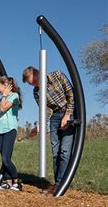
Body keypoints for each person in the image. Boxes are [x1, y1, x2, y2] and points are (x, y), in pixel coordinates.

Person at [22, 66, 75, 195]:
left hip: (70, 114)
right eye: (31, 84)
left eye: (33, 82)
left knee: (65, 152)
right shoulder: (36, 92)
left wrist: (68, 115)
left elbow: (71, 94)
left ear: (38, 74)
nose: (34, 85)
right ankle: (57, 183)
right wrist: (40, 125)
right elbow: (46, 110)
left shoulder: (57, 75)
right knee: (56, 152)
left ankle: (61, 184)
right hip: (54, 118)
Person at [0, 76, 22, 191]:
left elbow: (3, 108)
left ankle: (17, 182)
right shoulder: (2, 98)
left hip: (9, 129)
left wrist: (4, 95)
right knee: (3, 159)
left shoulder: (14, 96)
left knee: (6, 159)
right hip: (0, 129)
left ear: (5, 85)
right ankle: (8, 182)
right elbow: (3, 113)